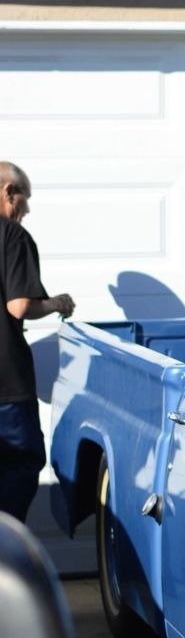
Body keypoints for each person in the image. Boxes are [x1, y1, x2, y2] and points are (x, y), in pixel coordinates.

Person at [0, 163, 74, 522]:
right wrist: (57, 303)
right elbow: (19, 305)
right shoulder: (11, 236)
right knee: (19, 467)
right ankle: (8, 564)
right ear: (8, 191)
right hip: (7, 391)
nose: (26, 210)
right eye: (24, 199)